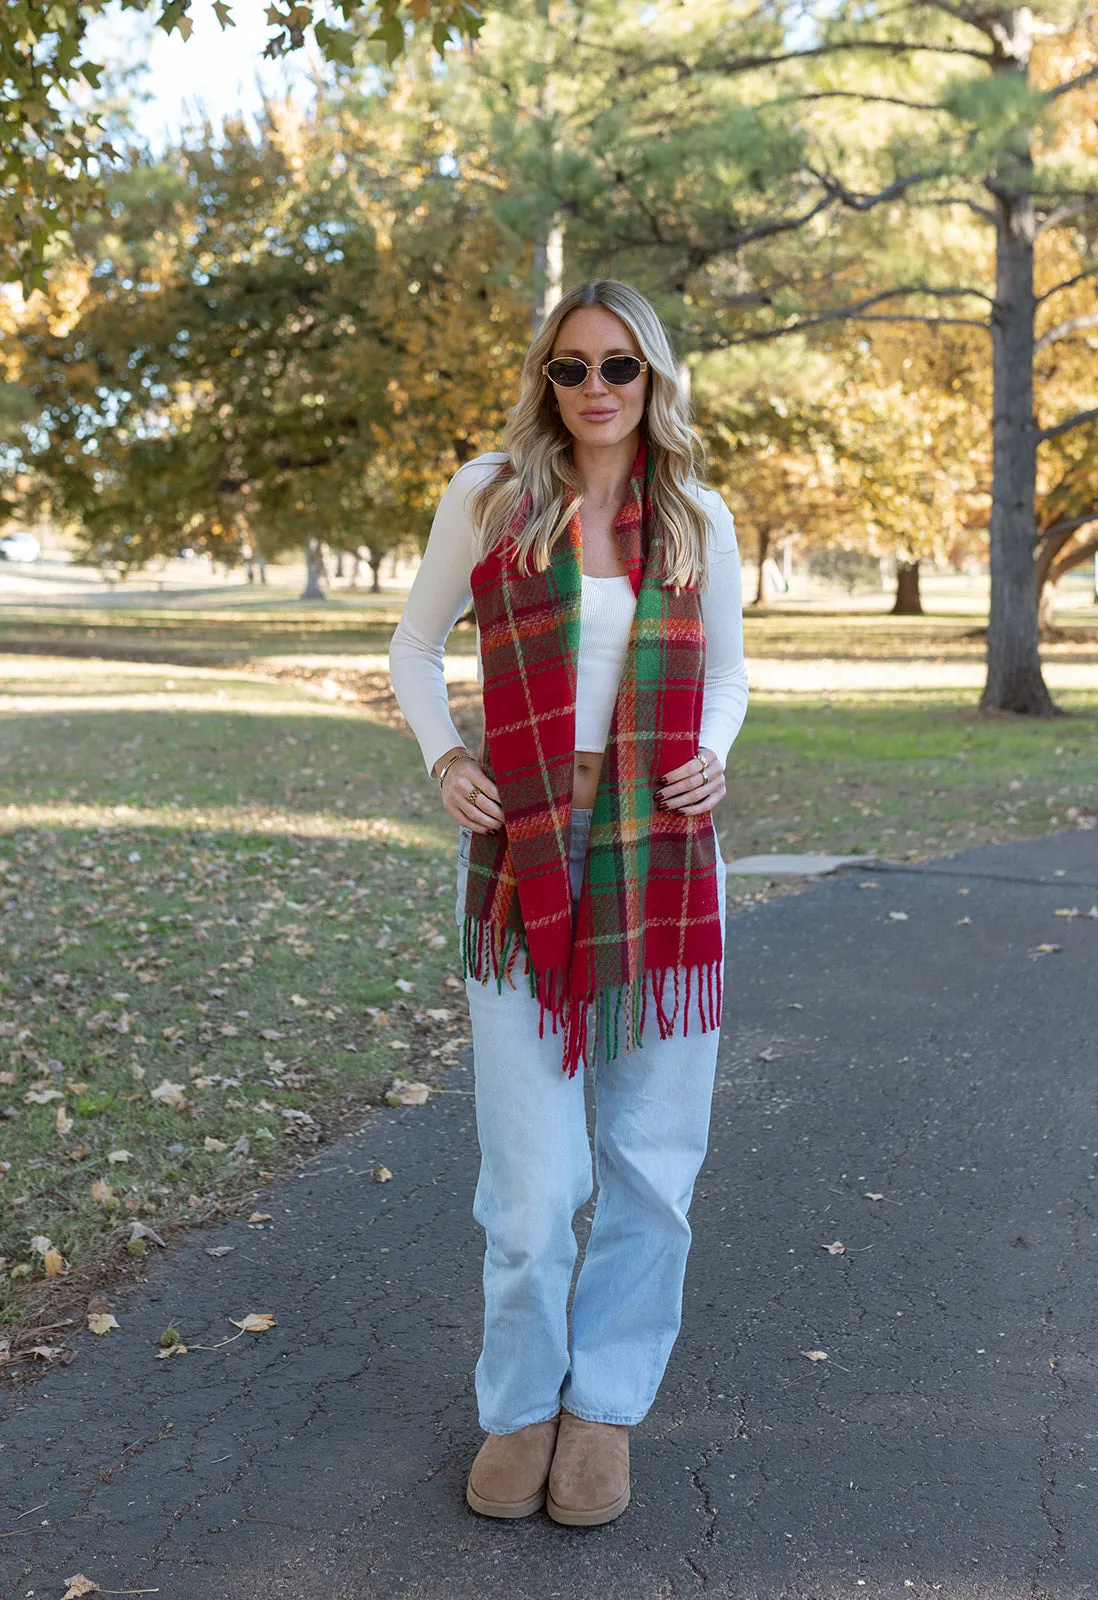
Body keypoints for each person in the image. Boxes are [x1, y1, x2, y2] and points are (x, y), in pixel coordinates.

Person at [389, 278, 749, 1528]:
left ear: (655, 378)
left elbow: (733, 681)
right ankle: (520, 1404)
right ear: (545, 380)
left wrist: (715, 749)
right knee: (534, 1182)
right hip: (521, 865)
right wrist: (446, 756)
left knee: (651, 1164)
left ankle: (601, 1405)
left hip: (660, 861)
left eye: (619, 368)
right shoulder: (492, 496)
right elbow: (413, 647)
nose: (594, 390)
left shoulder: (698, 513)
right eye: (570, 368)